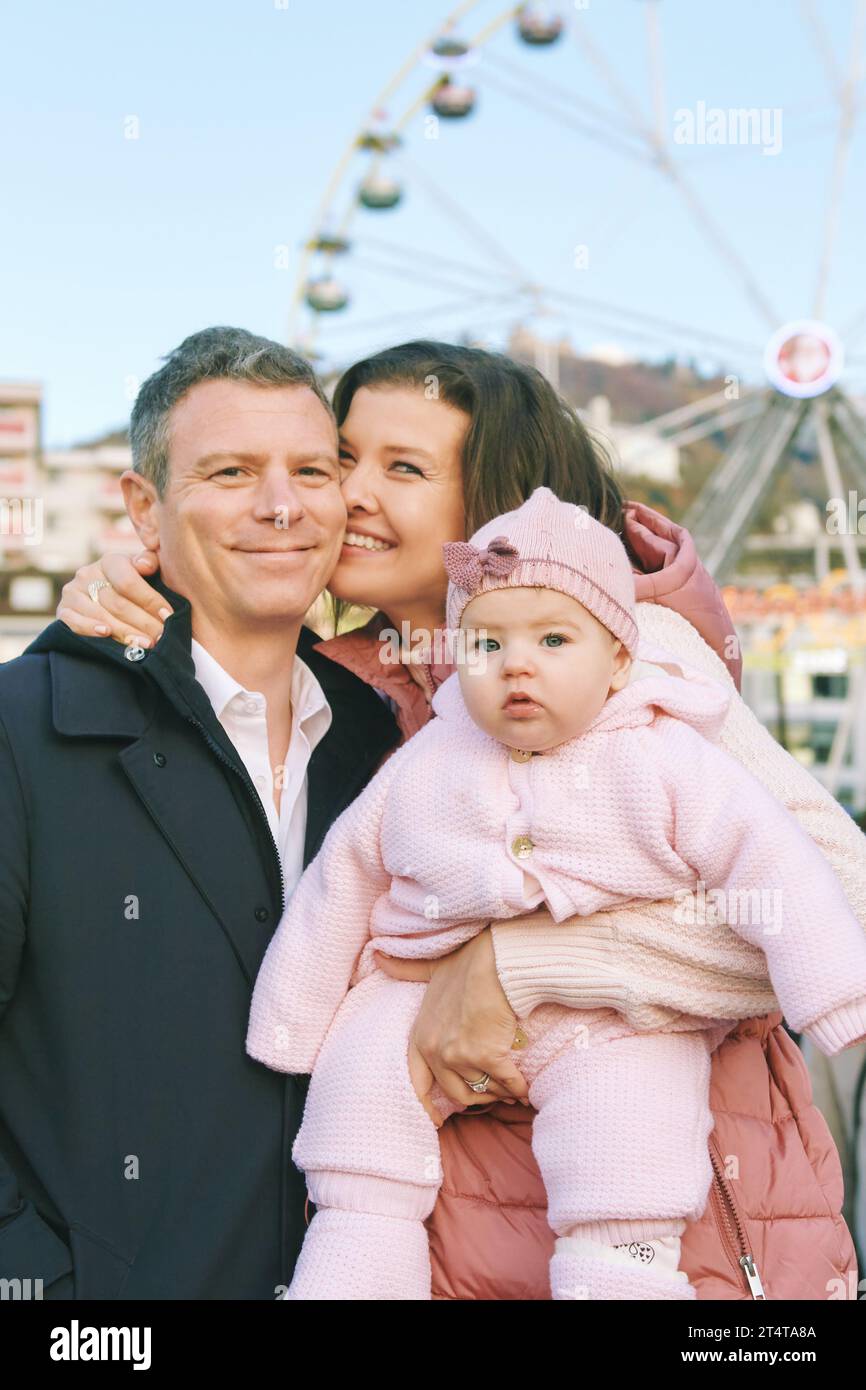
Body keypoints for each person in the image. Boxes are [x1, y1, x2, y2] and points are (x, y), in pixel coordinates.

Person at [55, 340, 865, 1299]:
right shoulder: (336, 687)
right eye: (342, 459)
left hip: (674, 1231)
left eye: (403, 469)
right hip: (450, 1247)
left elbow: (833, 899)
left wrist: (515, 970)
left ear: (497, 505)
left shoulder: (633, 658)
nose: (351, 494)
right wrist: (115, 602)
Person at [246, 487, 866, 1300]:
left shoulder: (665, 754)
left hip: (614, 1020)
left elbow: (774, 862)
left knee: (630, 1131)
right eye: (487, 645)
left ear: (617, 659)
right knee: (361, 1096)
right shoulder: (431, 758)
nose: (517, 665)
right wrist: (292, 1023)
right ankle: (358, 1258)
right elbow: (342, 879)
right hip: (415, 990)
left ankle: (621, 1274)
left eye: (551, 640)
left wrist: (838, 993)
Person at [0, 326, 402, 1298]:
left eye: (310, 469)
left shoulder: (375, 744)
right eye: (229, 471)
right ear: (144, 510)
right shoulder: (24, 732)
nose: (279, 505)